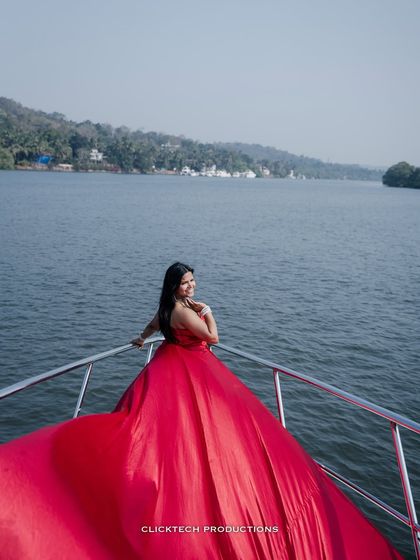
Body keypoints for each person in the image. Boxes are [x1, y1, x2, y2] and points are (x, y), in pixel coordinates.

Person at [0, 262, 404, 559]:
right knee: (198, 434)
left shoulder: (167, 308)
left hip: (168, 367)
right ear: (174, 287)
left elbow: (151, 327)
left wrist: (141, 340)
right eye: (185, 282)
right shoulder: (185, 310)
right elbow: (212, 337)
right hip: (192, 371)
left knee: (158, 429)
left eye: (192, 280)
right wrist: (207, 311)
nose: (190, 285)